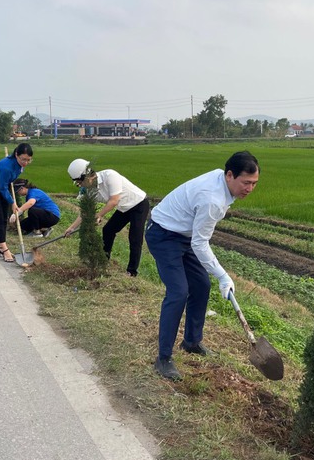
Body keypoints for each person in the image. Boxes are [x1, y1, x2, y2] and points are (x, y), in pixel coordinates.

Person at [145, 151, 260, 380]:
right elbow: (200, 243)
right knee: (178, 292)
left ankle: (192, 342)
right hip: (163, 234)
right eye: (245, 182)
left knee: (200, 285)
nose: (249, 188)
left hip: (183, 234)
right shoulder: (212, 200)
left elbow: (197, 239)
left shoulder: (222, 183)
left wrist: (216, 275)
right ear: (229, 175)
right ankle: (163, 358)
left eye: (254, 183)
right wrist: (223, 275)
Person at [63, 159, 150, 276]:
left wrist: (98, 216)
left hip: (138, 204)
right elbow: (85, 212)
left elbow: (114, 201)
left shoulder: (110, 175)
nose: (80, 185)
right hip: (124, 208)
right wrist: (72, 228)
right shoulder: (89, 191)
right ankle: (103, 262)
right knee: (108, 230)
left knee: (135, 238)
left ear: (87, 176)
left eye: (79, 182)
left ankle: (131, 272)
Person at [0, 143, 33, 263]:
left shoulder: (19, 165)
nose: (25, 162)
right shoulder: (6, 167)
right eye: (23, 159)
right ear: (16, 155)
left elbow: (6, 184)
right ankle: (4, 249)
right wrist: (12, 202)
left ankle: (1, 246)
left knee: (4, 217)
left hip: (2, 186)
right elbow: (2, 188)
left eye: (28, 160)